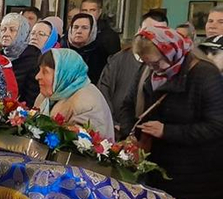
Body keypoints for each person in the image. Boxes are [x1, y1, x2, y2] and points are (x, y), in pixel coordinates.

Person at [120, 25, 223, 199]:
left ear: (171, 52)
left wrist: (167, 131)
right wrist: (132, 132)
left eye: (157, 62)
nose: (155, 68)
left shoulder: (204, 75)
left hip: (195, 178)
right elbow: (127, 105)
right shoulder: (148, 69)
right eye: (147, 62)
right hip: (156, 170)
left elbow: (216, 126)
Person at [98, 11, 165, 139]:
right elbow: (104, 91)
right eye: (149, 31)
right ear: (139, 30)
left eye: (159, 33)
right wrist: (113, 123)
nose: (153, 37)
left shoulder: (164, 66)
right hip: (113, 129)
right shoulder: (117, 60)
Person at [34, 49, 115, 139]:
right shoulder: (45, 98)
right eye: (39, 70)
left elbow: (83, 146)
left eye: (45, 72)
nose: (37, 76)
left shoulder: (86, 102)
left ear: (63, 74)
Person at [0, 12, 41, 107]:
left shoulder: (34, 60)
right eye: (3, 30)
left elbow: (31, 99)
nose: (6, 34)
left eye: (12, 30)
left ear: (23, 33)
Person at [64, 12, 109, 84]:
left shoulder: (100, 54)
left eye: (84, 28)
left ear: (92, 31)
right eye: (75, 27)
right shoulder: (62, 50)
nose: (78, 31)